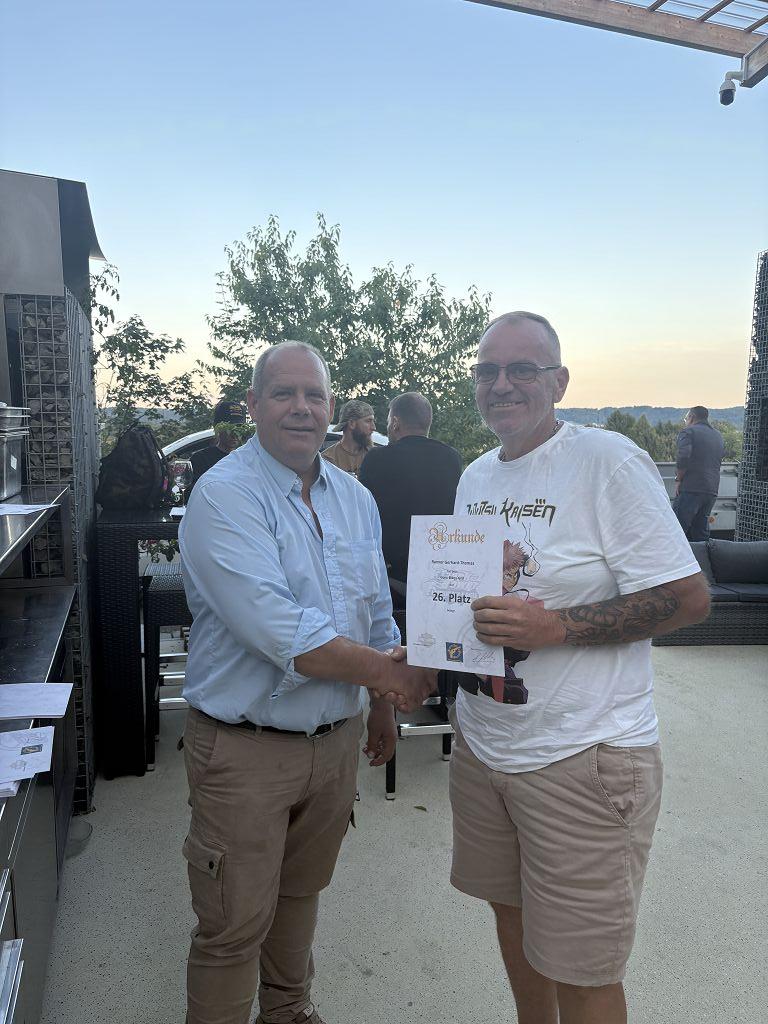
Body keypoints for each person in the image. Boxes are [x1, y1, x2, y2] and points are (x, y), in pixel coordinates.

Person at [445, 312, 710, 1024]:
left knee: (584, 968)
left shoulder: (607, 461)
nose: (501, 384)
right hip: (486, 745)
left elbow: (688, 599)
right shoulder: (475, 476)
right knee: (513, 919)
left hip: (583, 756)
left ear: (559, 382)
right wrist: (432, 650)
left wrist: (556, 627)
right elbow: (469, 602)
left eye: (521, 370)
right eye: (487, 370)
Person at [178, 341, 434, 1024]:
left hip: (335, 743)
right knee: (233, 924)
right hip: (244, 750)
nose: (301, 408)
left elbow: (374, 610)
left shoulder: (356, 498)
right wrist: (394, 674)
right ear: (254, 404)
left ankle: (289, 1012)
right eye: (283, 393)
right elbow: (282, 631)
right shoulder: (225, 495)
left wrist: (382, 705)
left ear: (332, 408)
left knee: (299, 895)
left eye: (313, 395)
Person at [358, 391, 462, 585]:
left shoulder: (376, 459)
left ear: (395, 422)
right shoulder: (451, 458)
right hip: (439, 570)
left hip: (389, 576)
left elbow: (360, 516)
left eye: (388, 421)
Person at [673, 405, 725, 541]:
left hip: (691, 488)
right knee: (700, 533)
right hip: (711, 490)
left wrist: (678, 479)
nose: (686, 421)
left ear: (691, 417)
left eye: (686, 418)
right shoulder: (718, 436)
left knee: (676, 530)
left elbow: (683, 457)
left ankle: (673, 555)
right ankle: (703, 555)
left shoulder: (688, 432)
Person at [189, 398, 248, 491]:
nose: (234, 434)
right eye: (229, 427)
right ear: (217, 427)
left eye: (239, 427)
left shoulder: (247, 459)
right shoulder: (200, 459)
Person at [320, 399, 376, 476]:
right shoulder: (328, 459)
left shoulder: (375, 456)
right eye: (368, 421)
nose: (373, 427)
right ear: (352, 423)